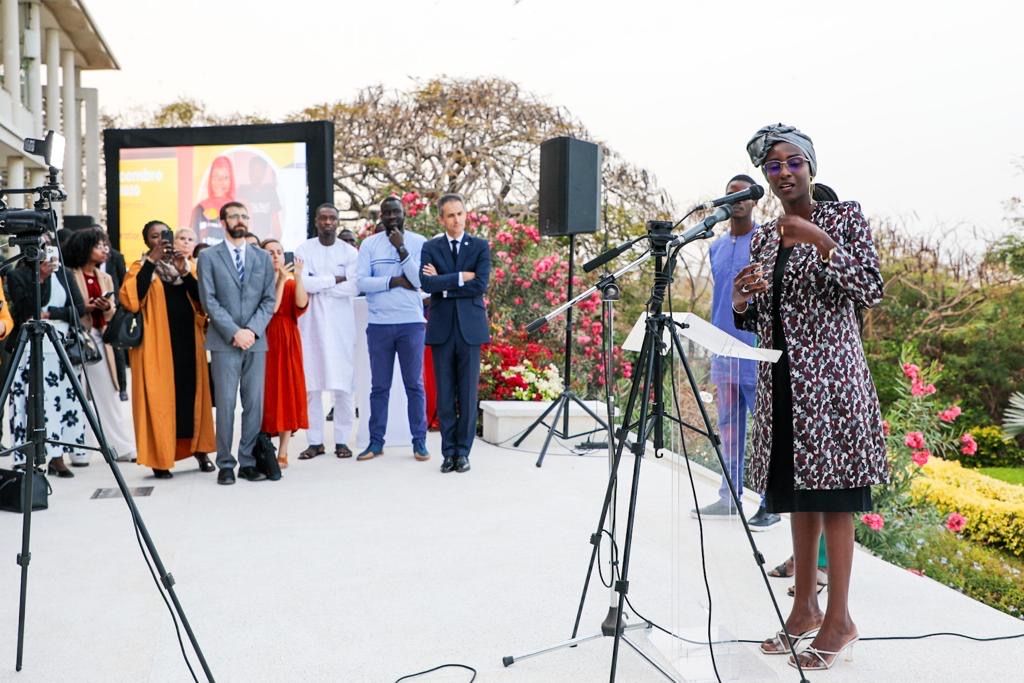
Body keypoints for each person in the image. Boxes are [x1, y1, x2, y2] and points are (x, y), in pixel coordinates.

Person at [736, 124, 887, 671]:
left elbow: (870, 288)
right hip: (783, 385)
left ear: (810, 166)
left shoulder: (844, 217)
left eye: (793, 161)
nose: (783, 172)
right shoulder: (762, 238)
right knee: (797, 498)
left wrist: (820, 241)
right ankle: (803, 610)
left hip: (831, 386)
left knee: (834, 501)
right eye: (773, 165)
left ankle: (839, 621)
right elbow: (762, 319)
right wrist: (741, 299)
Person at [691, 175, 780, 530]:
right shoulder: (715, 247)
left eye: (744, 195)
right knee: (729, 427)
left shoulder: (764, 242)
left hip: (755, 353)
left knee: (765, 429)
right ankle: (730, 498)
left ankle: (771, 502)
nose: (738, 200)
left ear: (755, 201)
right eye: (731, 194)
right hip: (721, 353)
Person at [120, 221, 216, 478]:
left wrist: (184, 271)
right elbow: (131, 301)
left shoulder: (185, 266)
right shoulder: (140, 268)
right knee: (160, 400)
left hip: (188, 342)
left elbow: (202, 300)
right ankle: (160, 459)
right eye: (154, 236)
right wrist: (152, 260)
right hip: (157, 345)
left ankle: (200, 451)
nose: (160, 240)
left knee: (192, 398)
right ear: (147, 242)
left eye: (164, 235)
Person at [197, 201, 277, 485]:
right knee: (226, 404)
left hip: (256, 341)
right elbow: (209, 300)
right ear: (223, 222)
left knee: (254, 404)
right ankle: (226, 464)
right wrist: (234, 332)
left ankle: (248, 462)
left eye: (244, 216)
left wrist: (252, 330)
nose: (240, 220)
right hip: (224, 341)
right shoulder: (208, 257)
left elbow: (269, 300)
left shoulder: (262, 258)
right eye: (234, 216)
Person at [420, 194, 490, 473]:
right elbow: (427, 284)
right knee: (446, 394)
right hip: (442, 330)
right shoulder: (430, 247)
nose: (457, 219)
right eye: (450, 215)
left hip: (470, 330)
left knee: (468, 394)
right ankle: (448, 453)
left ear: (466, 214)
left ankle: (463, 453)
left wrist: (444, 284)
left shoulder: (480, 246)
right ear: (442, 219)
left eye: (460, 213)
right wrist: (461, 277)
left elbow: (480, 284)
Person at [355, 196, 428, 461]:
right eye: (386, 213)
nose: (391, 217)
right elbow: (362, 282)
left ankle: (419, 442)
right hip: (379, 325)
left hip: (411, 323)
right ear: (381, 216)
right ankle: (376, 442)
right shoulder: (369, 244)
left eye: (395, 211)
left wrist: (401, 249)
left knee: (414, 385)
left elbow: (419, 281)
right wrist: (395, 281)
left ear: (404, 213)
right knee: (379, 387)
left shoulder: (419, 242)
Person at [6, 240, 85, 477]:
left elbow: (78, 308)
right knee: (30, 401)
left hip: (60, 346)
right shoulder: (18, 276)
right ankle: (25, 456)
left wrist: (51, 313)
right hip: (30, 348)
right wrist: (40, 279)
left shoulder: (65, 274)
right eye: (43, 248)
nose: (48, 254)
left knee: (60, 402)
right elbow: (26, 311)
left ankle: (57, 456)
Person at [65, 228, 137, 464]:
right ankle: (80, 449)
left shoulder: (105, 277)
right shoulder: (68, 275)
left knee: (108, 393)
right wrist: (85, 307)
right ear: (85, 248)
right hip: (75, 339)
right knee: (76, 395)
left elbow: (113, 312)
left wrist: (106, 307)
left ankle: (121, 446)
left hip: (99, 339)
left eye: (105, 245)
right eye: (98, 246)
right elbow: (68, 307)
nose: (105, 250)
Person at [295, 204, 360, 460]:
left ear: (338, 221)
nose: (328, 222)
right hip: (311, 326)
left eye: (332, 218)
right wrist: (335, 279)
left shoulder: (349, 252)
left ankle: (342, 440)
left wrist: (318, 283)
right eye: (323, 218)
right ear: (316, 221)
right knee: (312, 386)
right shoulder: (304, 249)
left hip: (341, 327)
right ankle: (315, 442)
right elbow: (303, 282)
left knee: (343, 387)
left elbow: (354, 287)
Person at [260, 238, 309, 468]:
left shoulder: (290, 281)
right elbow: (271, 309)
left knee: (287, 391)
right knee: (266, 392)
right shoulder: (258, 282)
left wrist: (297, 277)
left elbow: (301, 304)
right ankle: (264, 445)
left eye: (279, 252)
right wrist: (280, 281)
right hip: (265, 338)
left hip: (287, 339)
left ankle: (284, 449)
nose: (276, 256)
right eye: (270, 252)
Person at [237, 155, 283, 241]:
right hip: (246, 239)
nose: (255, 174)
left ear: (264, 172)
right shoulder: (242, 190)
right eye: (253, 170)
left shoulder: (270, 191)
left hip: (266, 239)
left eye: (259, 171)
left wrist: (277, 240)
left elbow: (275, 219)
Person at [192, 155, 236, 243]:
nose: (220, 182)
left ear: (231, 180)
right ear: (210, 179)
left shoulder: (238, 210)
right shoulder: (200, 209)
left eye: (225, 177)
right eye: (216, 177)